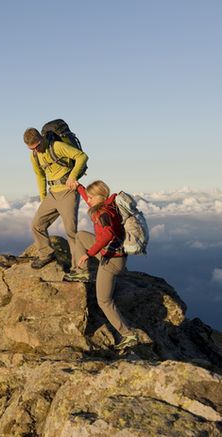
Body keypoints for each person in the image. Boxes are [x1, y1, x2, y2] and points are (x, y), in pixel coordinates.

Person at [64, 180, 138, 351]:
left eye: (90, 198)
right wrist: (79, 187)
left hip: (112, 261)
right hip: (114, 254)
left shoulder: (102, 213)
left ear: (98, 197)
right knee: (81, 235)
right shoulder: (108, 206)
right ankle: (82, 272)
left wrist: (88, 254)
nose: (87, 200)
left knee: (104, 300)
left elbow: (108, 234)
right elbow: (89, 198)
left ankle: (128, 335)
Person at [24, 127, 88, 270]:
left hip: (68, 192)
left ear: (41, 138)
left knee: (71, 231)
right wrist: (43, 197)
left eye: (38, 146)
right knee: (36, 225)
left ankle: (78, 269)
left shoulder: (57, 146)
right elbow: (40, 175)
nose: (36, 150)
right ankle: (46, 254)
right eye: (32, 149)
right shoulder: (34, 155)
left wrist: (72, 177)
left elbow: (82, 156)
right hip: (52, 194)